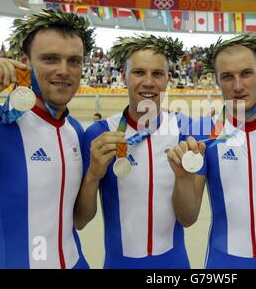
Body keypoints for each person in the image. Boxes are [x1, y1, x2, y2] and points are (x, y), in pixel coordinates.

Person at [167, 34, 256, 269]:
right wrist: (182, 179)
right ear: (216, 80)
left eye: (246, 73)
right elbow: (187, 218)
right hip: (222, 264)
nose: (237, 86)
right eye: (227, 77)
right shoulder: (202, 132)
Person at [0, 9, 95, 269]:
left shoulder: (74, 129)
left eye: (74, 61)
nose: (64, 70)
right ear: (25, 62)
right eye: (50, 59)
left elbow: (76, 220)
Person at [74, 35, 192, 269]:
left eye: (157, 73)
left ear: (168, 79)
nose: (148, 82)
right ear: (123, 76)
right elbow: (80, 220)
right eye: (138, 72)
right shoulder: (99, 133)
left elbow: (188, 218)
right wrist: (93, 175)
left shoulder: (185, 128)